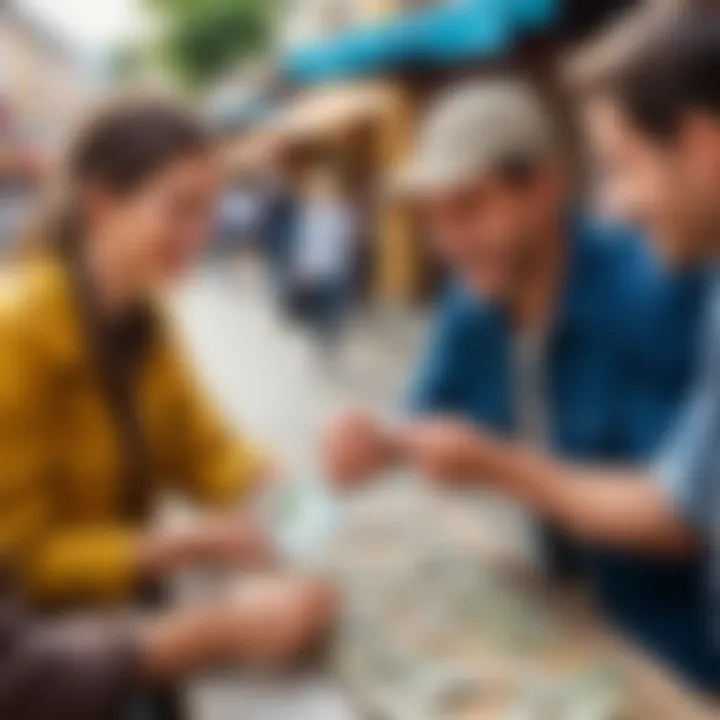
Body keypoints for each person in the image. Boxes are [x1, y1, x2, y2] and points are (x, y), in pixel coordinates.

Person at [323, 78, 718, 688]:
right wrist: (378, 443)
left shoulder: (657, 283)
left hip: (674, 641)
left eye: (470, 208)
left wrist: (499, 467)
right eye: (435, 217)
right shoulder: (472, 304)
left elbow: (683, 520)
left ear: (544, 187)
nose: (449, 242)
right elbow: (425, 414)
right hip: (564, 609)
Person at [0, 97, 335, 715]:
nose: (199, 236)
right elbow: (24, 562)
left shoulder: (146, 315)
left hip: (124, 617)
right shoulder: (15, 334)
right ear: (103, 201)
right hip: (56, 661)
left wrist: (299, 508)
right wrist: (190, 546)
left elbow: (205, 447)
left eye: (207, 210)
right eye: (179, 208)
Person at [290, 169, 357, 358]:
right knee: (318, 309)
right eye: (320, 188)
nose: (324, 192)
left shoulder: (343, 214)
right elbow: (303, 242)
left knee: (334, 309)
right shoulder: (309, 214)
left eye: (328, 188)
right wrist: (301, 267)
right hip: (315, 269)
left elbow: (349, 242)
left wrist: (348, 265)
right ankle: (319, 339)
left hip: (336, 269)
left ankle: (330, 339)